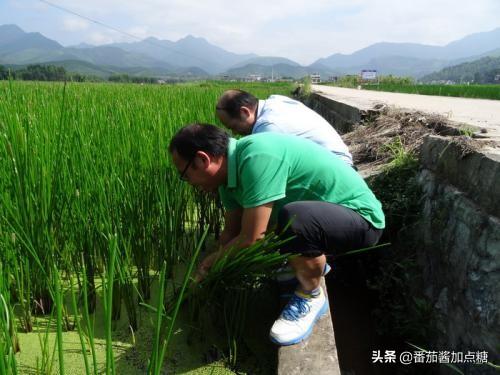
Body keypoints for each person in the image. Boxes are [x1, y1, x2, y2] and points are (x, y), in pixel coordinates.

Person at [169, 124, 384, 346]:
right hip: (321, 224)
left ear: (203, 160)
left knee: (295, 217)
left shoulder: (256, 155)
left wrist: (209, 263)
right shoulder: (227, 182)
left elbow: (252, 238)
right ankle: (302, 266)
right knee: (282, 223)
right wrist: (207, 278)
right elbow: (231, 234)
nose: (190, 184)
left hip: (360, 220)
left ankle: (311, 295)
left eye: (185, 175)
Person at [216, 89, 353, 166]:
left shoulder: (267, 127)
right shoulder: (275, 101)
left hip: (338, 169)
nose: (235, 132)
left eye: (234, 126)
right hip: (338, 162)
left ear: (245, 112)